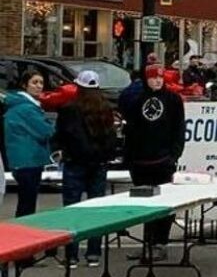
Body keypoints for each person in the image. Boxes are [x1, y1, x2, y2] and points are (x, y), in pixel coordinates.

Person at [53, 71, 117, 263]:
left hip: (75, 163)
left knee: (72, 208)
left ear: (78, 87)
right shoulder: (105, 108)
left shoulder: (68, 109)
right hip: (98, 164)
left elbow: (61, 136)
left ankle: (71, 254)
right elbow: (112, 137)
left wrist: (64, 152)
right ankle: (93, 253)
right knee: (95, 209)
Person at [119, 64, 186, 247]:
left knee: (165, 204)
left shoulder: (173, 100)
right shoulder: (137, 100)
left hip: (163, 160)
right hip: (141, 162)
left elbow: (179, 129)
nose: (157, 80)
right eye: (153, 77)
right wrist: (130, 158)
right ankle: (148, 243)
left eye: (160, 77)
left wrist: (174, 154)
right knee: (145, 206)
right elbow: (130, 130)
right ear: (146, 79)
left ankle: (161, 242)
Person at [2, 69, 55, 225]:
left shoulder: (19, 105)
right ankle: (23, 235)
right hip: (29, 159)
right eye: (34, 82)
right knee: (27, 203)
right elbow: (46, 131)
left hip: (22, 159)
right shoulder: (27, 108)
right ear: (25, 85)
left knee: (26, 201)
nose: (39, 86)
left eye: (41, 83)